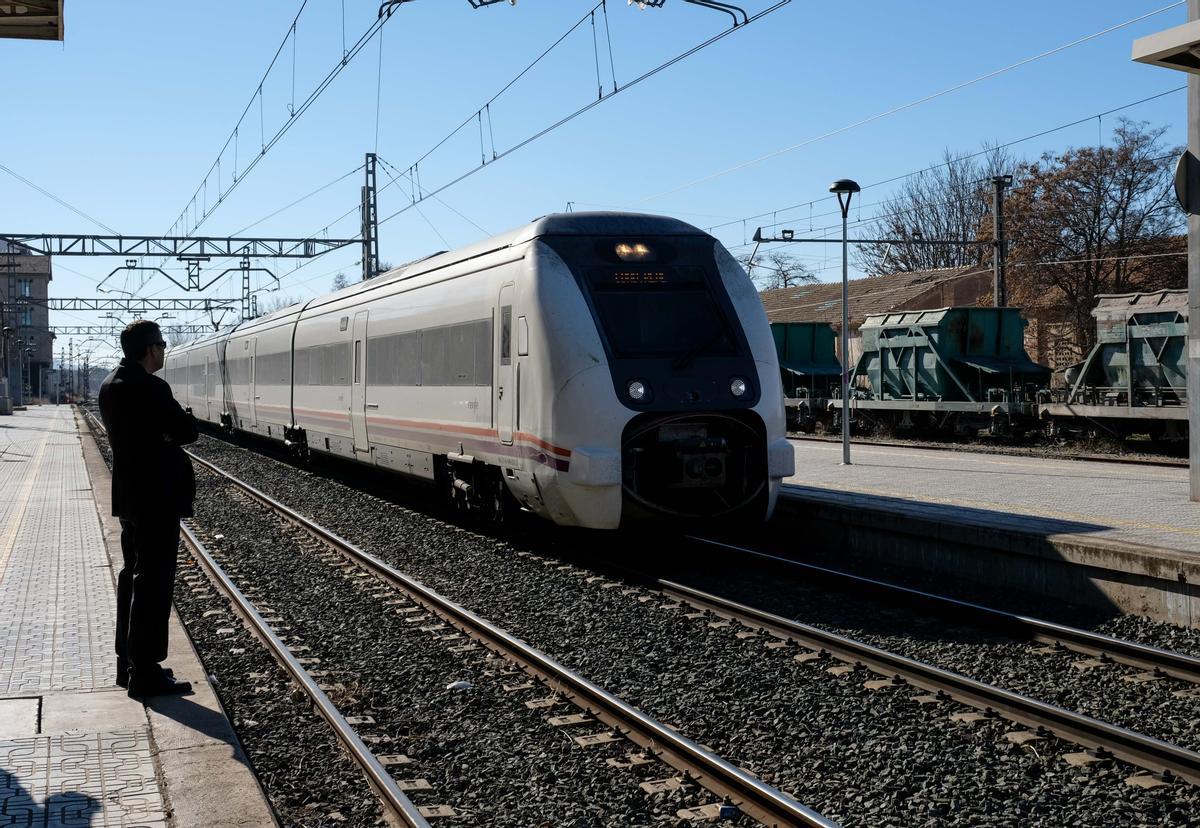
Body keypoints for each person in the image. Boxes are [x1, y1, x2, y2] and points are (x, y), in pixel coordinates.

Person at [98, 320, 197, 698]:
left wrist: (165, 430)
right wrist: (170, 430)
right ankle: (146, 673)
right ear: (149, 349)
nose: (165, 350)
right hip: (156, 496)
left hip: (129, 497)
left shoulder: (110, 385)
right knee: (153, 583)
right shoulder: (151, 388)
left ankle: (128, 663)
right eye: (161, 344)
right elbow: (187, 430)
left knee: (133, 577)